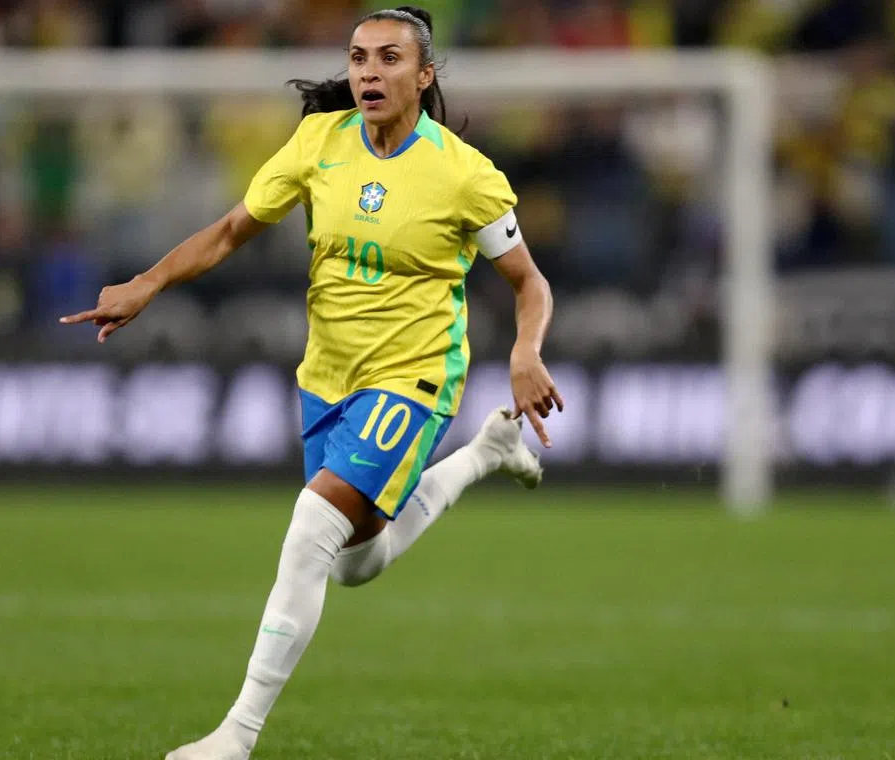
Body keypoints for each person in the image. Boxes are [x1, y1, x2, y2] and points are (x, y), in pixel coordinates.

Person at [60, 7, 563, 759]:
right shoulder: (317, 144)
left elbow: (529, 283)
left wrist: (526, 351)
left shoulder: (463, 173)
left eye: (390, 58)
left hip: (415, 375)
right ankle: (487, 453)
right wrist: (149, 281)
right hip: (327, 376)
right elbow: (232, 231)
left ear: (423, 77)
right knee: (357, 561)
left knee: (311, 529)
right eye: (359, 57)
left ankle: (237, 735)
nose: (368, 71)